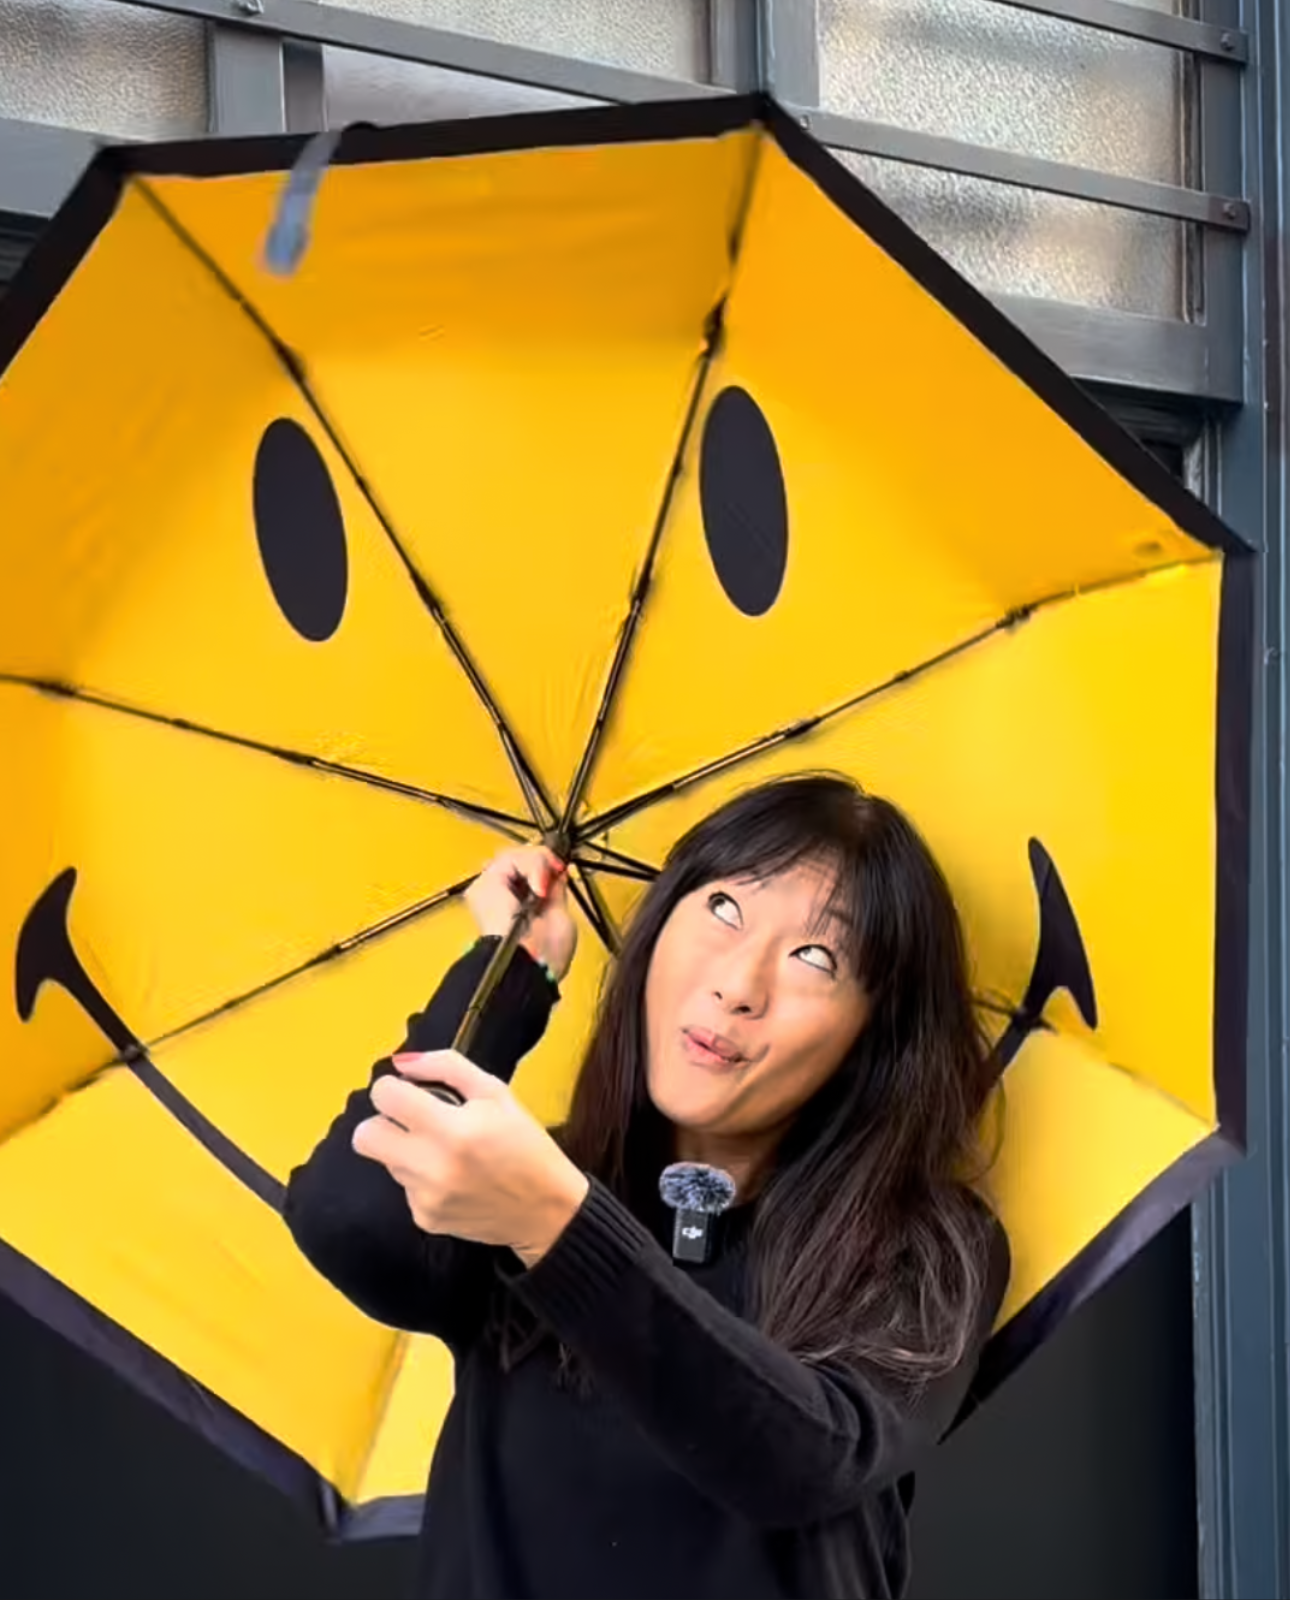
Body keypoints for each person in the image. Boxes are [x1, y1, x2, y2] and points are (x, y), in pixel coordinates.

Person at [283, 774, 1010, 1600]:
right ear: (659, 924)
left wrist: (560, 1227)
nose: (739, 985)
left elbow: (802, 1460)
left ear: (872, 1033)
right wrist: (507, 972)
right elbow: (346, 1216)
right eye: (724, 909)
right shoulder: (522, 1186)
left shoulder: (924, 1246)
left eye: (816, 957)